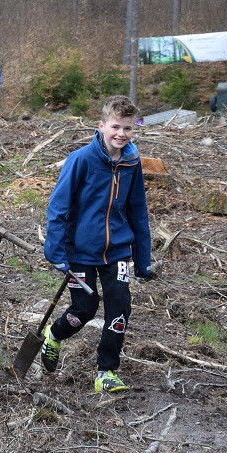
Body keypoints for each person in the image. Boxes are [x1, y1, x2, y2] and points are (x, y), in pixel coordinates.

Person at [41, 95, 158, 394]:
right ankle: (53, 335)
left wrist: (142, 260)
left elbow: (138, 211)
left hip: (117, 250)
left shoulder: (132, 162)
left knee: (120, 306)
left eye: (128, 128)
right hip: (79, 252)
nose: (121, 134)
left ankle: (106, 371)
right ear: (102, 125)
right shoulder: (81, 160)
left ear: (134, 129)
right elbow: (58, 207)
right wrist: (55, 252)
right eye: (115, 127)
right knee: (84, 309)